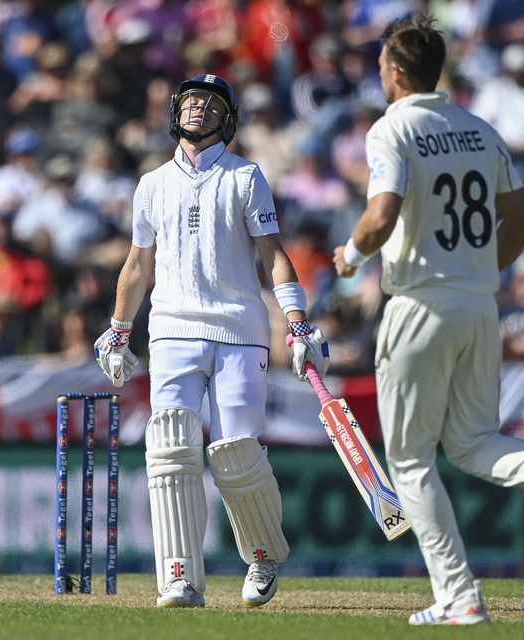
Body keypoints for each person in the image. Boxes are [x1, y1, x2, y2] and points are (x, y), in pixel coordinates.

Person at [331, 15, 524, 626]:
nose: (379, 73)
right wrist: (480, 270)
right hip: (479, 304)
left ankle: (458, 595)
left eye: (383, 64)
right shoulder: (479, 129)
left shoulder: (392, 130)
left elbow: (380, 215)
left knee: (409, 462)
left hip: (418, 307)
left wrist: (350, 256)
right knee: (472, 441)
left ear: (398, 72)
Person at [94, 73, 329, 609]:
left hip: (239, 331)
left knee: (237, 453)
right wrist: (118, 329)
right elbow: (138, 264)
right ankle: (179, 577)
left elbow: (273, 253)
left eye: (211, 103)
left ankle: (263, 553)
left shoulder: (246, 177)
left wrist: (296, 320)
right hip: (172, 329)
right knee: (171, 447)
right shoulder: (152, 183)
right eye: (191, 101)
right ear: (176, 112)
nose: (198, 108)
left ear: (229, 118)